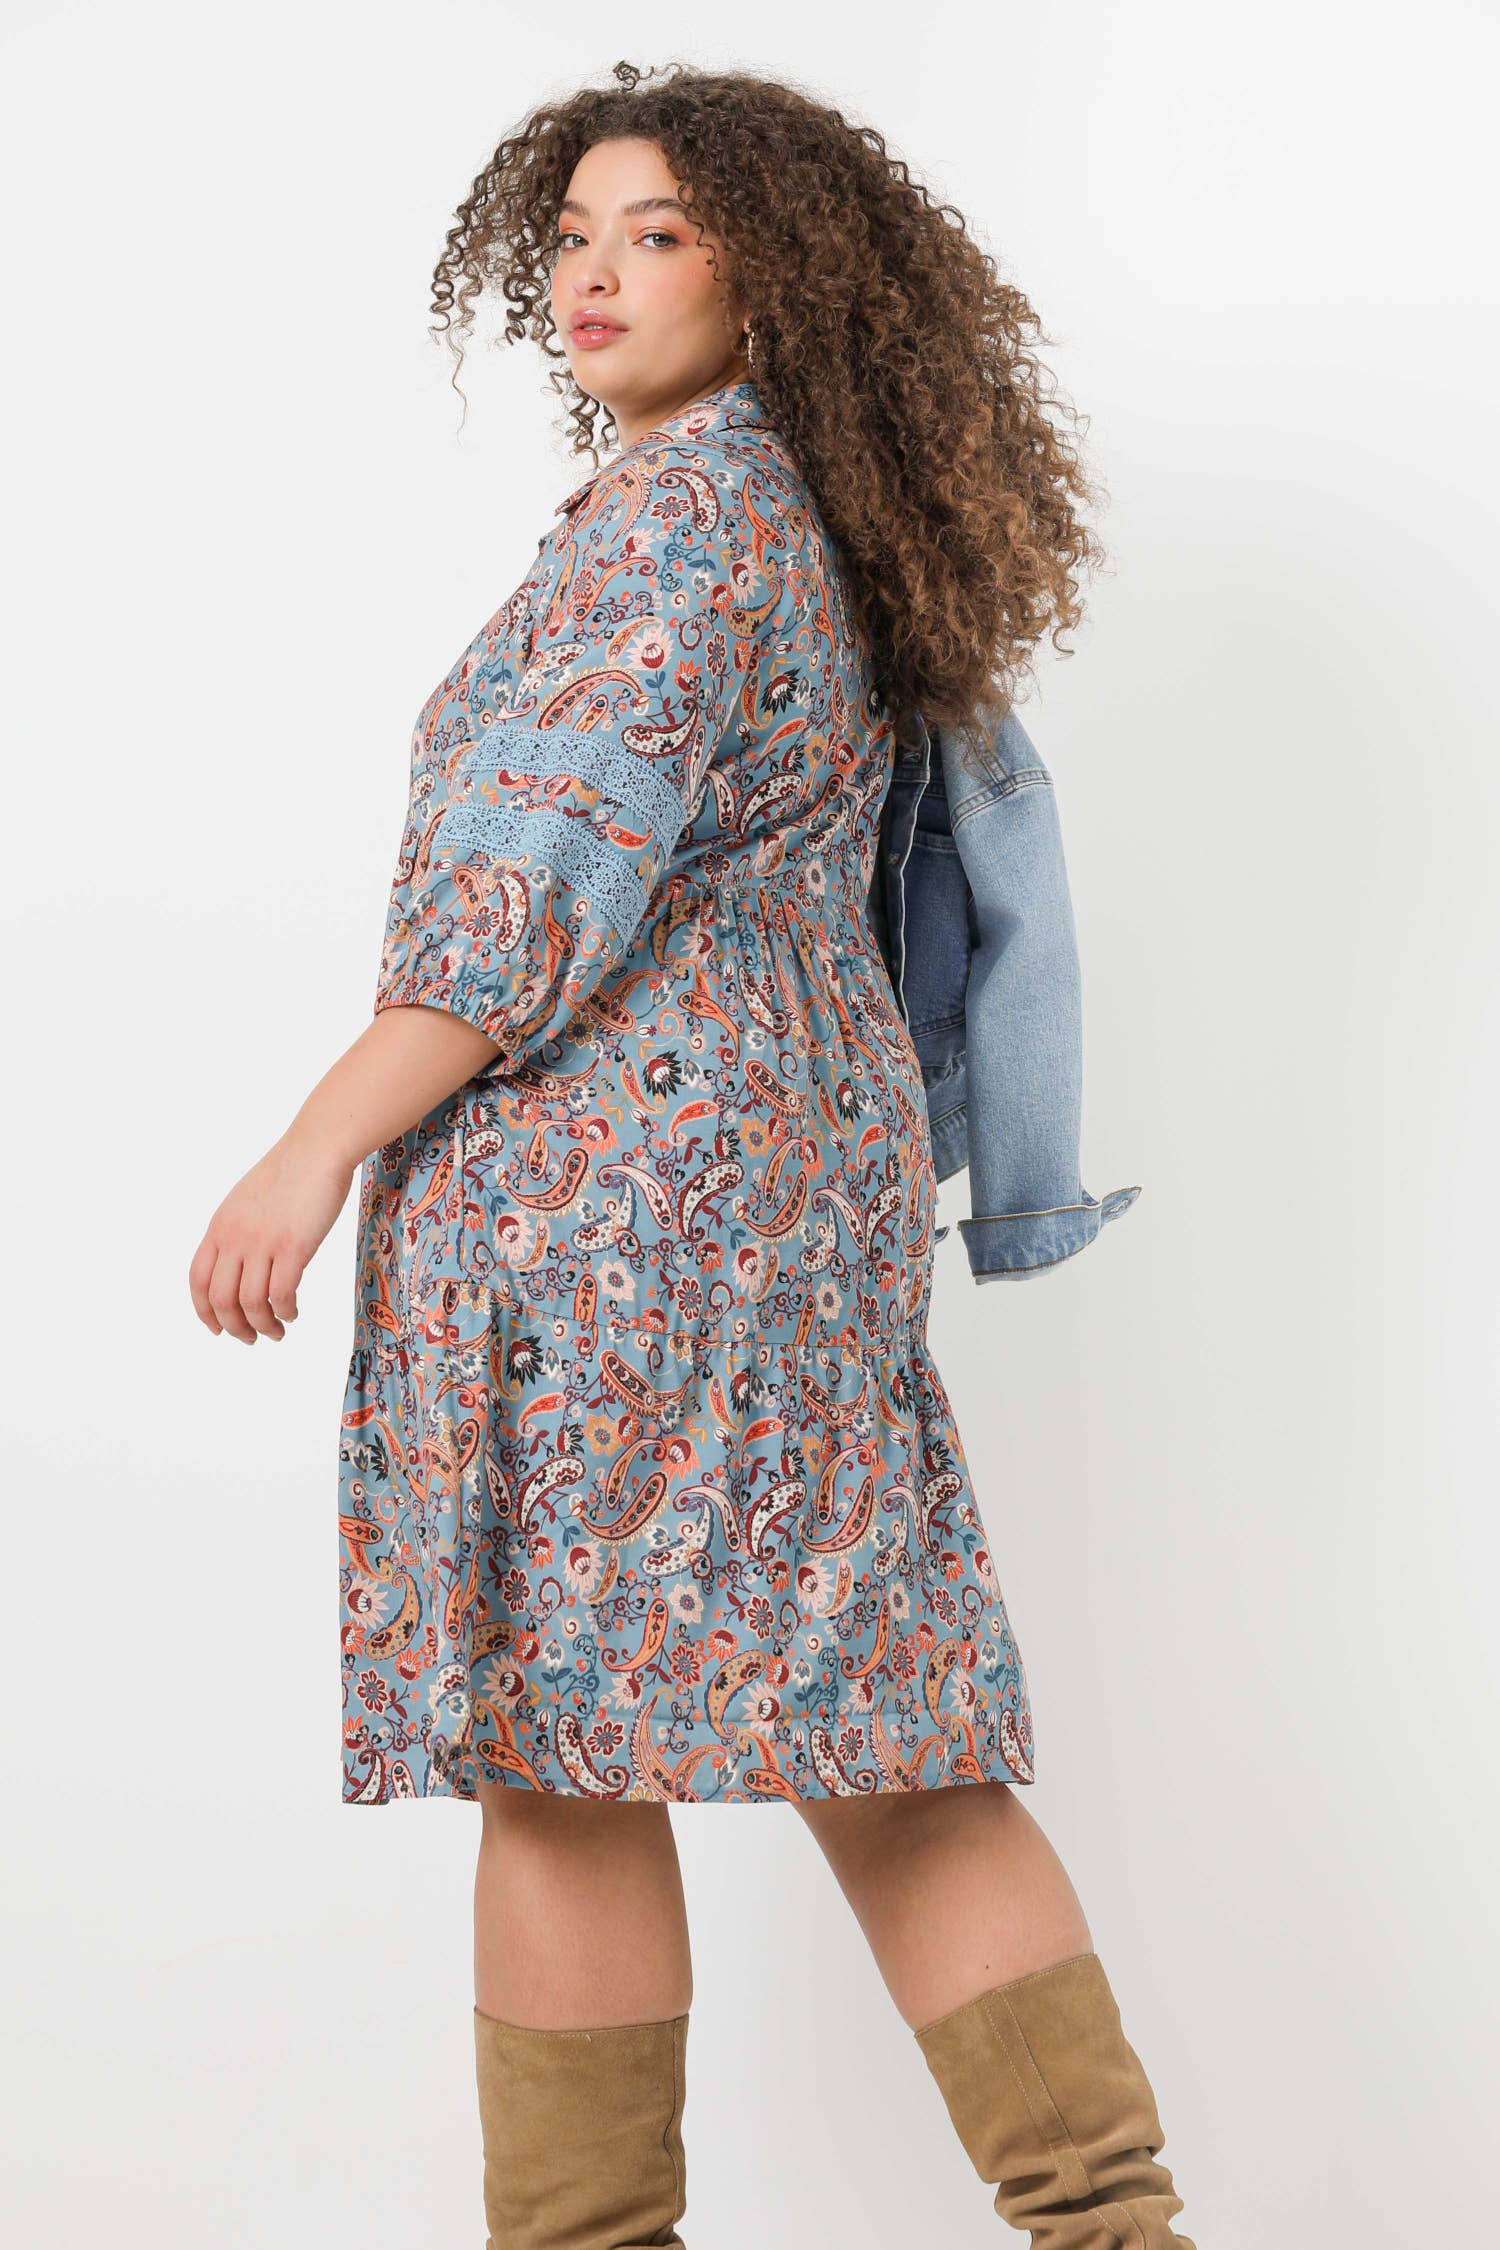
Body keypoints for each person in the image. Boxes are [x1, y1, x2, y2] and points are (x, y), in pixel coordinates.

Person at [188, 59, 1196, 2250]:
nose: (595, 273)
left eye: (656, 234)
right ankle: (1118, 2227)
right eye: (571, 236)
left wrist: (309, 1150)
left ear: (774, 273)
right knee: (886, 1734)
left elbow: (523, 909)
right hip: (795, 1198)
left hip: (616, 1221)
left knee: (561, 1755)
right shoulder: (811, 520)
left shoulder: (671, 527)